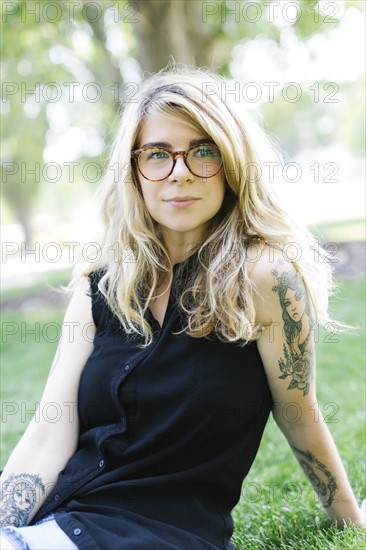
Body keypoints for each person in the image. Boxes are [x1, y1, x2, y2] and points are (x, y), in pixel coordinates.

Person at [0, 65, 364, 550]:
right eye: (158, 154)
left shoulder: (264, 278)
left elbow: (298, 411)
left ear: (233, 163)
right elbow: (49, 433)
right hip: (57, 518)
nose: (180, 172)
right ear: (134, 170)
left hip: (156, 535)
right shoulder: (100, 286)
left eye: (203, 151)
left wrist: (349, 518)